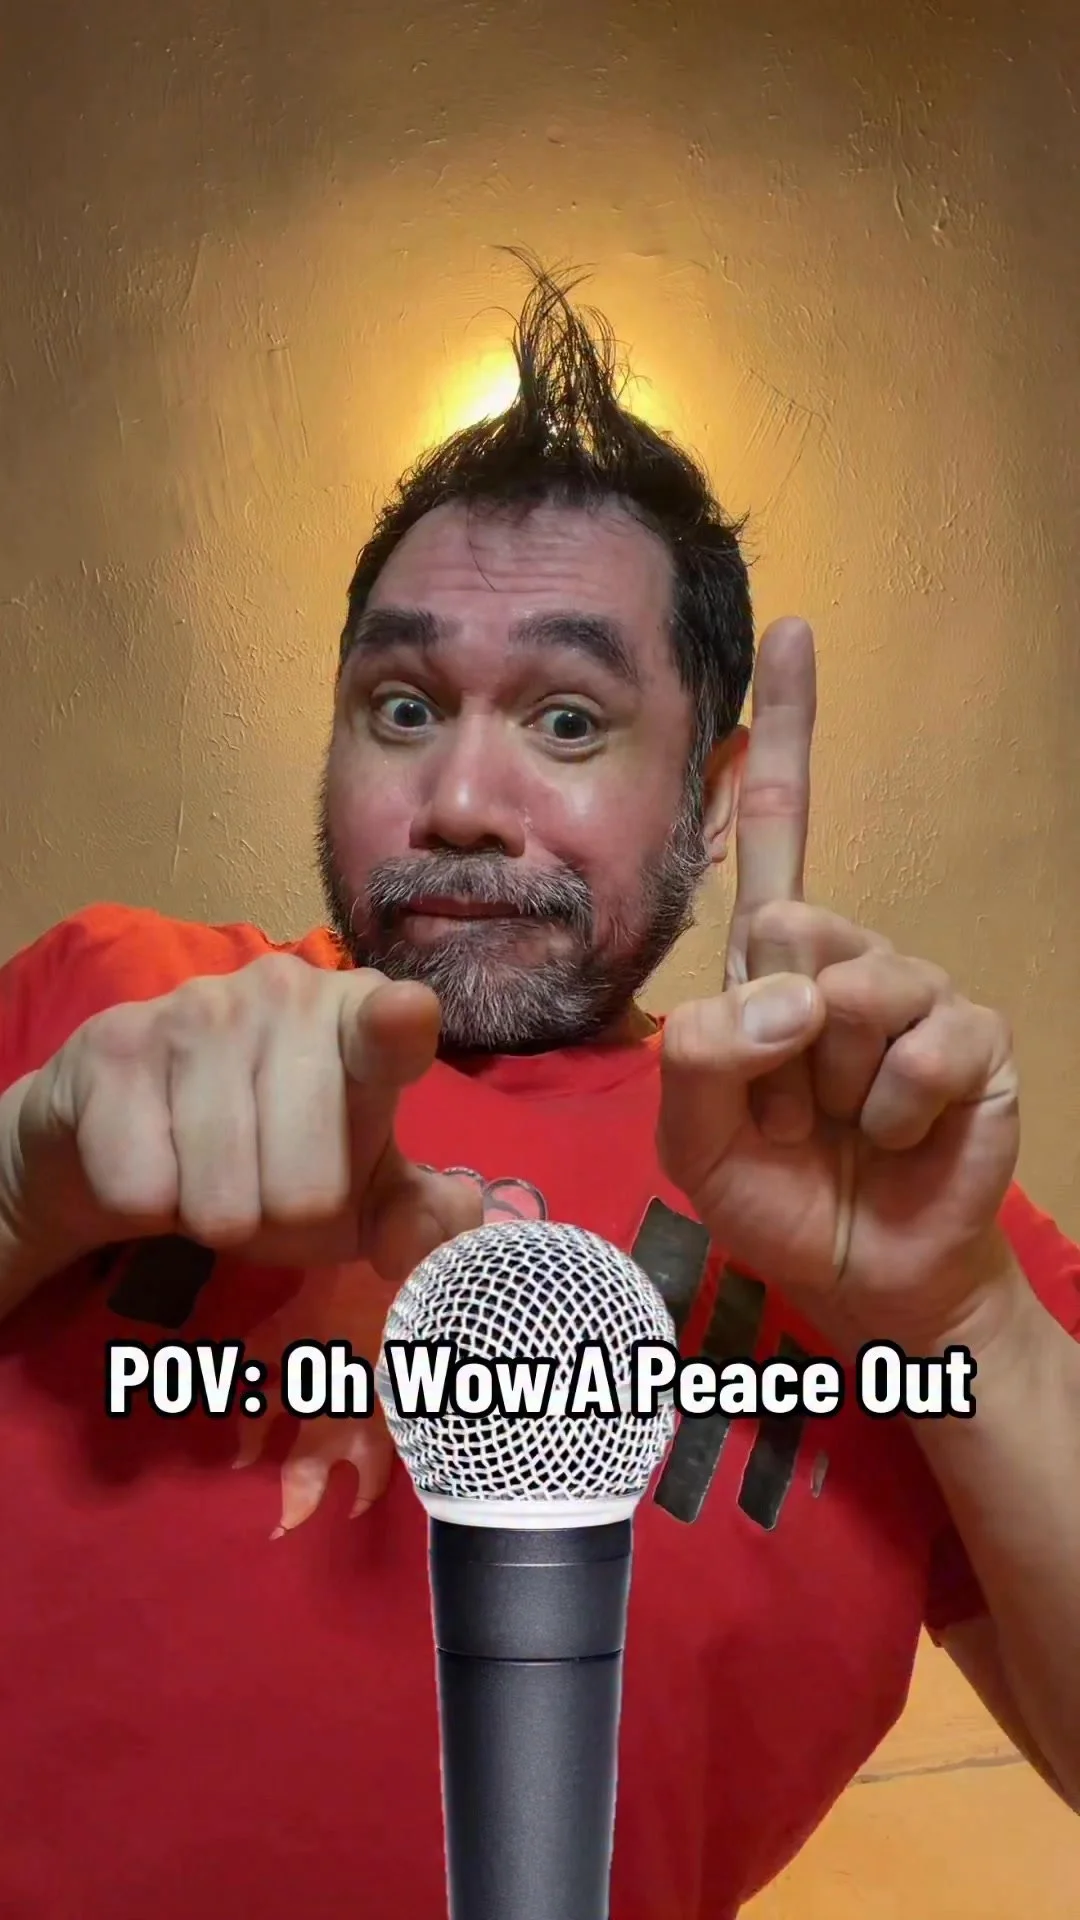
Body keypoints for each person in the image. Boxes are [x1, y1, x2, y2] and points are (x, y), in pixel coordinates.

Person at [0, 261, 1077, 1920]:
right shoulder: (118, 1005)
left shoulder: (916, 1221)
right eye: (402, 707)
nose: (459, 798)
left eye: (569, 721)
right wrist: (25, 1185)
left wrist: (969, 1316)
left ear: (710, 797)